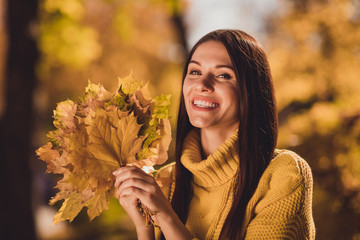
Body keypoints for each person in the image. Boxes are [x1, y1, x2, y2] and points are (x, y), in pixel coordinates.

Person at [112, 29, 316, 240]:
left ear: (251, 91)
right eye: (195, 72)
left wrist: (165, 216)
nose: (202, 84)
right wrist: (144, 228)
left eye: (223, 75)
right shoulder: (166, 181)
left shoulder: (284, 174)